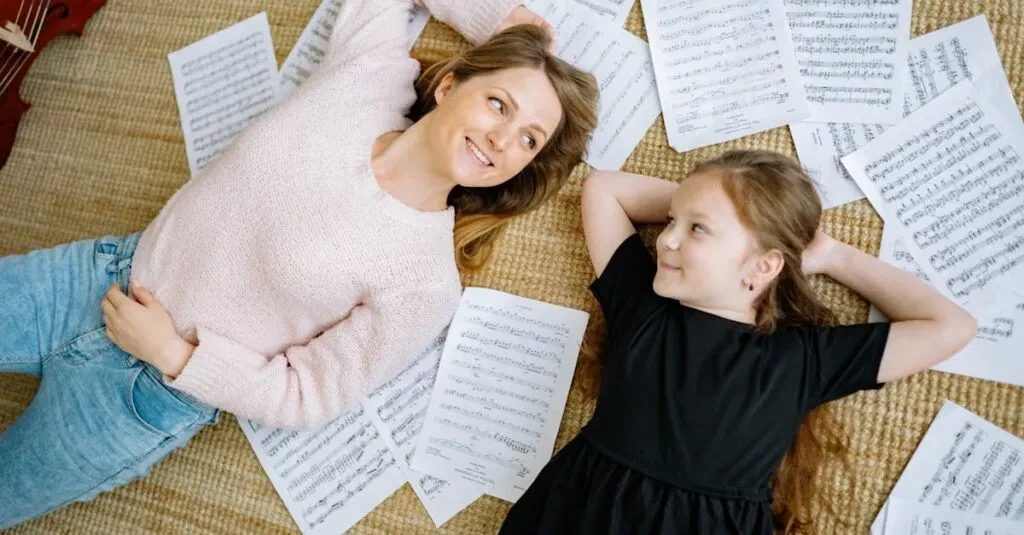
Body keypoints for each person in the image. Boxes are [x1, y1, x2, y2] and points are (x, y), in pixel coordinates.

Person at [0, 0, 599, 528]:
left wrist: (176, 356)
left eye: (528, 140)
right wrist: (501, 20)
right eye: (499, 104)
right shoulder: (370, 80)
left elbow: (308, 396)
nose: (502, 139)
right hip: (97, 277)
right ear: (449, 87)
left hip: (144, 390)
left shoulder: (426, 281)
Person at [499, 150, 977, 534]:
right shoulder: (643, 308)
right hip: (582, 512)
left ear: (765, 266)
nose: (666, 240)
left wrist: (831, 256)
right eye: (669, 221)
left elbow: (949, 326)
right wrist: (705, 201)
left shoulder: (803, 359)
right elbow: (604, 188)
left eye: (697, 229)